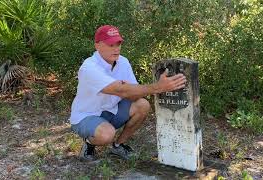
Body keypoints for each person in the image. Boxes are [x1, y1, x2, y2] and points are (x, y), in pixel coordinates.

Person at [69, 25, 186, 161]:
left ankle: (118, 145)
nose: (116, 48)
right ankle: (89, 144)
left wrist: (128, 90)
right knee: (107, 134)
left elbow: (133, 93)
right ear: (98, 45)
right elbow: (120, 90)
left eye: (118, 43)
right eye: (111, 44)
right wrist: (157, 87)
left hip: (112, 109)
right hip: (87, 115)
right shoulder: (89, 67)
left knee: (143, 105)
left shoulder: (123, 62)